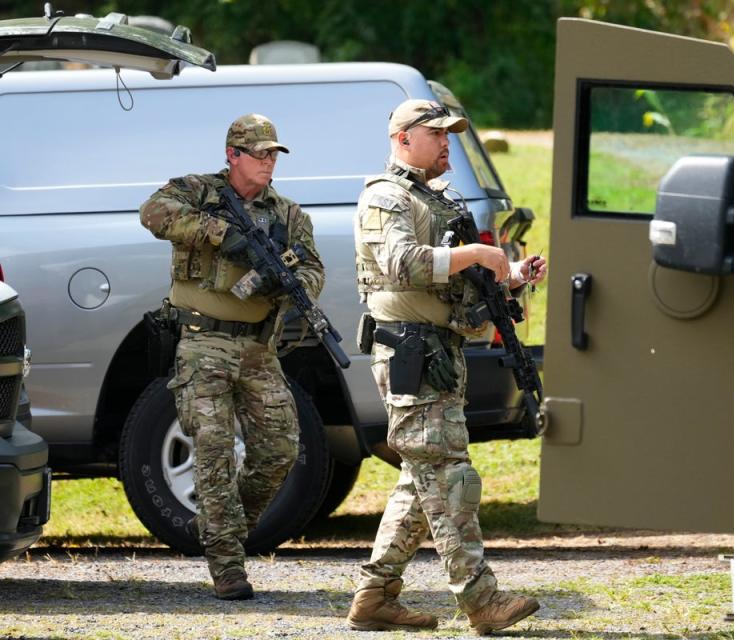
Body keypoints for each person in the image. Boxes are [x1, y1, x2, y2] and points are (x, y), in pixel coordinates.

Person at [347, 99, 547, 634]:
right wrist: (479, 256)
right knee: (450, 475)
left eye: (449, 134)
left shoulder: (432, 199)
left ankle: (373, 597)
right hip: (411, 353)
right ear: (403, 138)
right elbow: (401, 262)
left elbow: (453, 276)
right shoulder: (385, 197)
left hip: (436, 353)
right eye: (436, 134)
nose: (446, 143)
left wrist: (511, 275)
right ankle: (482, 601)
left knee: (421, 479)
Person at [139, 113, 325, 600]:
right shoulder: (198, 191)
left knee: (279, 449)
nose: (268, 163)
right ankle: (227, 564)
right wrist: (222, 235)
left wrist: (290, 285)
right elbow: (153, 213)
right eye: (260, 154)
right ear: (233, 156)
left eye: (273, 155)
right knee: (215, 450)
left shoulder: (288, 215)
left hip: (258, 348)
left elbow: (312, 267)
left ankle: (222, 526)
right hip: (202, 342)